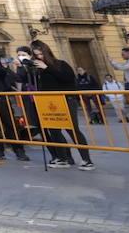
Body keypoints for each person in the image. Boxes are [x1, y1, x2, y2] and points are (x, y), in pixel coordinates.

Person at [21, 41, 94, 170]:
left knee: (72, 130)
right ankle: (62, 158)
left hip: (66, 100)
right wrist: (26, 67)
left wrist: (47, 68)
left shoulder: (60, 64)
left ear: (47, 52)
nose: (39, 57)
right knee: (54, 131)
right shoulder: (36, 69)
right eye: (36, 55)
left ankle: (86, 160)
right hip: (48, 102)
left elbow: (67, 79)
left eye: (41, 54)